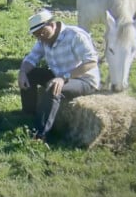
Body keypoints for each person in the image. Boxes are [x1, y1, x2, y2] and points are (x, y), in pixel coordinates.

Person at [17, 9, 101, 140]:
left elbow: (91, 62)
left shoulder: (75, 35)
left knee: (53, 88)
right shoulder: (43, 39)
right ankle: (28, 115)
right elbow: (31, 58)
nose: (40, 37)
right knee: (30, 75)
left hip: (83, 80)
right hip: (59, 75)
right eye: (36, 35)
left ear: (52, 24)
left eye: (42, 32)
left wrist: (63, 78)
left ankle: (40, 134)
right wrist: (22, 72)